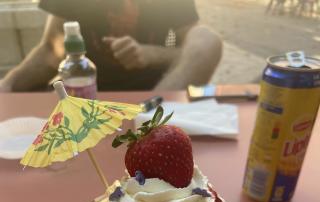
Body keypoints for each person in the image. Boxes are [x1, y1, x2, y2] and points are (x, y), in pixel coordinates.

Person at [0, 0, 222, 92]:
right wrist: (7, 87)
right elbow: (52, 49)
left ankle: (153, 129)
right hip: (87, 98)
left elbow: (193, 50)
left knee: (207, 38)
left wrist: (150, 54)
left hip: (155, 96)